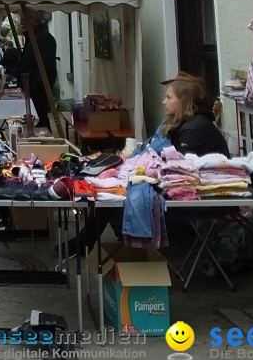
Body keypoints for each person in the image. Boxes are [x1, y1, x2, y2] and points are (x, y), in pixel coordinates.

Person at [67, 72, 228, 257]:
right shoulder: (176, 122)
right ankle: (105, 243)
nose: (163, 101)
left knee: (111, 199)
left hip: (196, 197)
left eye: (168, 97)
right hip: (178, 187)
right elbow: (153, 153)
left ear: (184, 101)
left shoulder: (195, 128)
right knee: (109, 193)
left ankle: (122, 245)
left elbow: (178, 170)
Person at [20, 10, 56, 130]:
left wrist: (33, 85)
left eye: (25, 18)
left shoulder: (44, 38)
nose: (22, 21)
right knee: (36, 122)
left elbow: (46, 68)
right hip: (32, 89)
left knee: (41, 121)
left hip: (37, 90)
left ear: (35, 19)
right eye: (21, 18)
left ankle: (46, 145)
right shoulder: (33, 36)